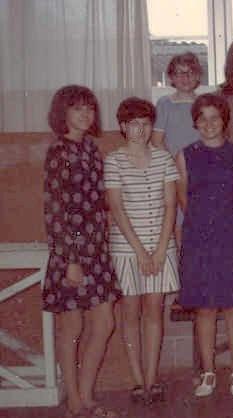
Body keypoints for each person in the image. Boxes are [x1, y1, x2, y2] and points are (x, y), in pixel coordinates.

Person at [43, 85, 121, 418]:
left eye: (89, 108)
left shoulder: (90, 149)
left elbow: (95, 201)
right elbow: (58, 211)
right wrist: (72, 259)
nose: (85, 114)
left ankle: (87, 394)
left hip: (97, 250)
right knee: (71, 328)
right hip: (71, 252)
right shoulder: (59, 152)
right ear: (63, 113)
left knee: (104, 324)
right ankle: (74, 399)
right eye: (77, 108)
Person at [176, 94, 233, 397]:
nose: (209, 124)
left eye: (215, 117)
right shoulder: (185, 155)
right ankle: (208, 372)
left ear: (224, 120)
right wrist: (201, 223)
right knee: (205, 309)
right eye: (202, 118)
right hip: (200, 239)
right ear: (195, 122)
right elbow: (183, 197)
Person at [105, 97, 180, 404]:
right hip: (127, 250)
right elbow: (116, 207)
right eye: (133, 124)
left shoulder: (163, 158)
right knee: (131, 313)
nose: (140, 130)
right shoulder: (114, 159)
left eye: (146, 123)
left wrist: (161, 249)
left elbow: (170, 205)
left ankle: (152, 379)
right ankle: (137, 380)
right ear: (123, 126)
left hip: (160, 247)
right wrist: (139, 251)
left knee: (154, 313)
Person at [150, 52, 203, 246]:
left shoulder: (203, 103)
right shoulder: (165, 103)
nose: (185, 78)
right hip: (174, 171)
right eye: (179, 73)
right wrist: (174, 167)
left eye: (190, 73)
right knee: (180, 217)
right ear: (171, 77)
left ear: (198, 76)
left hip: (199, 170)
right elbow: (157, 140)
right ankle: (183, 259)